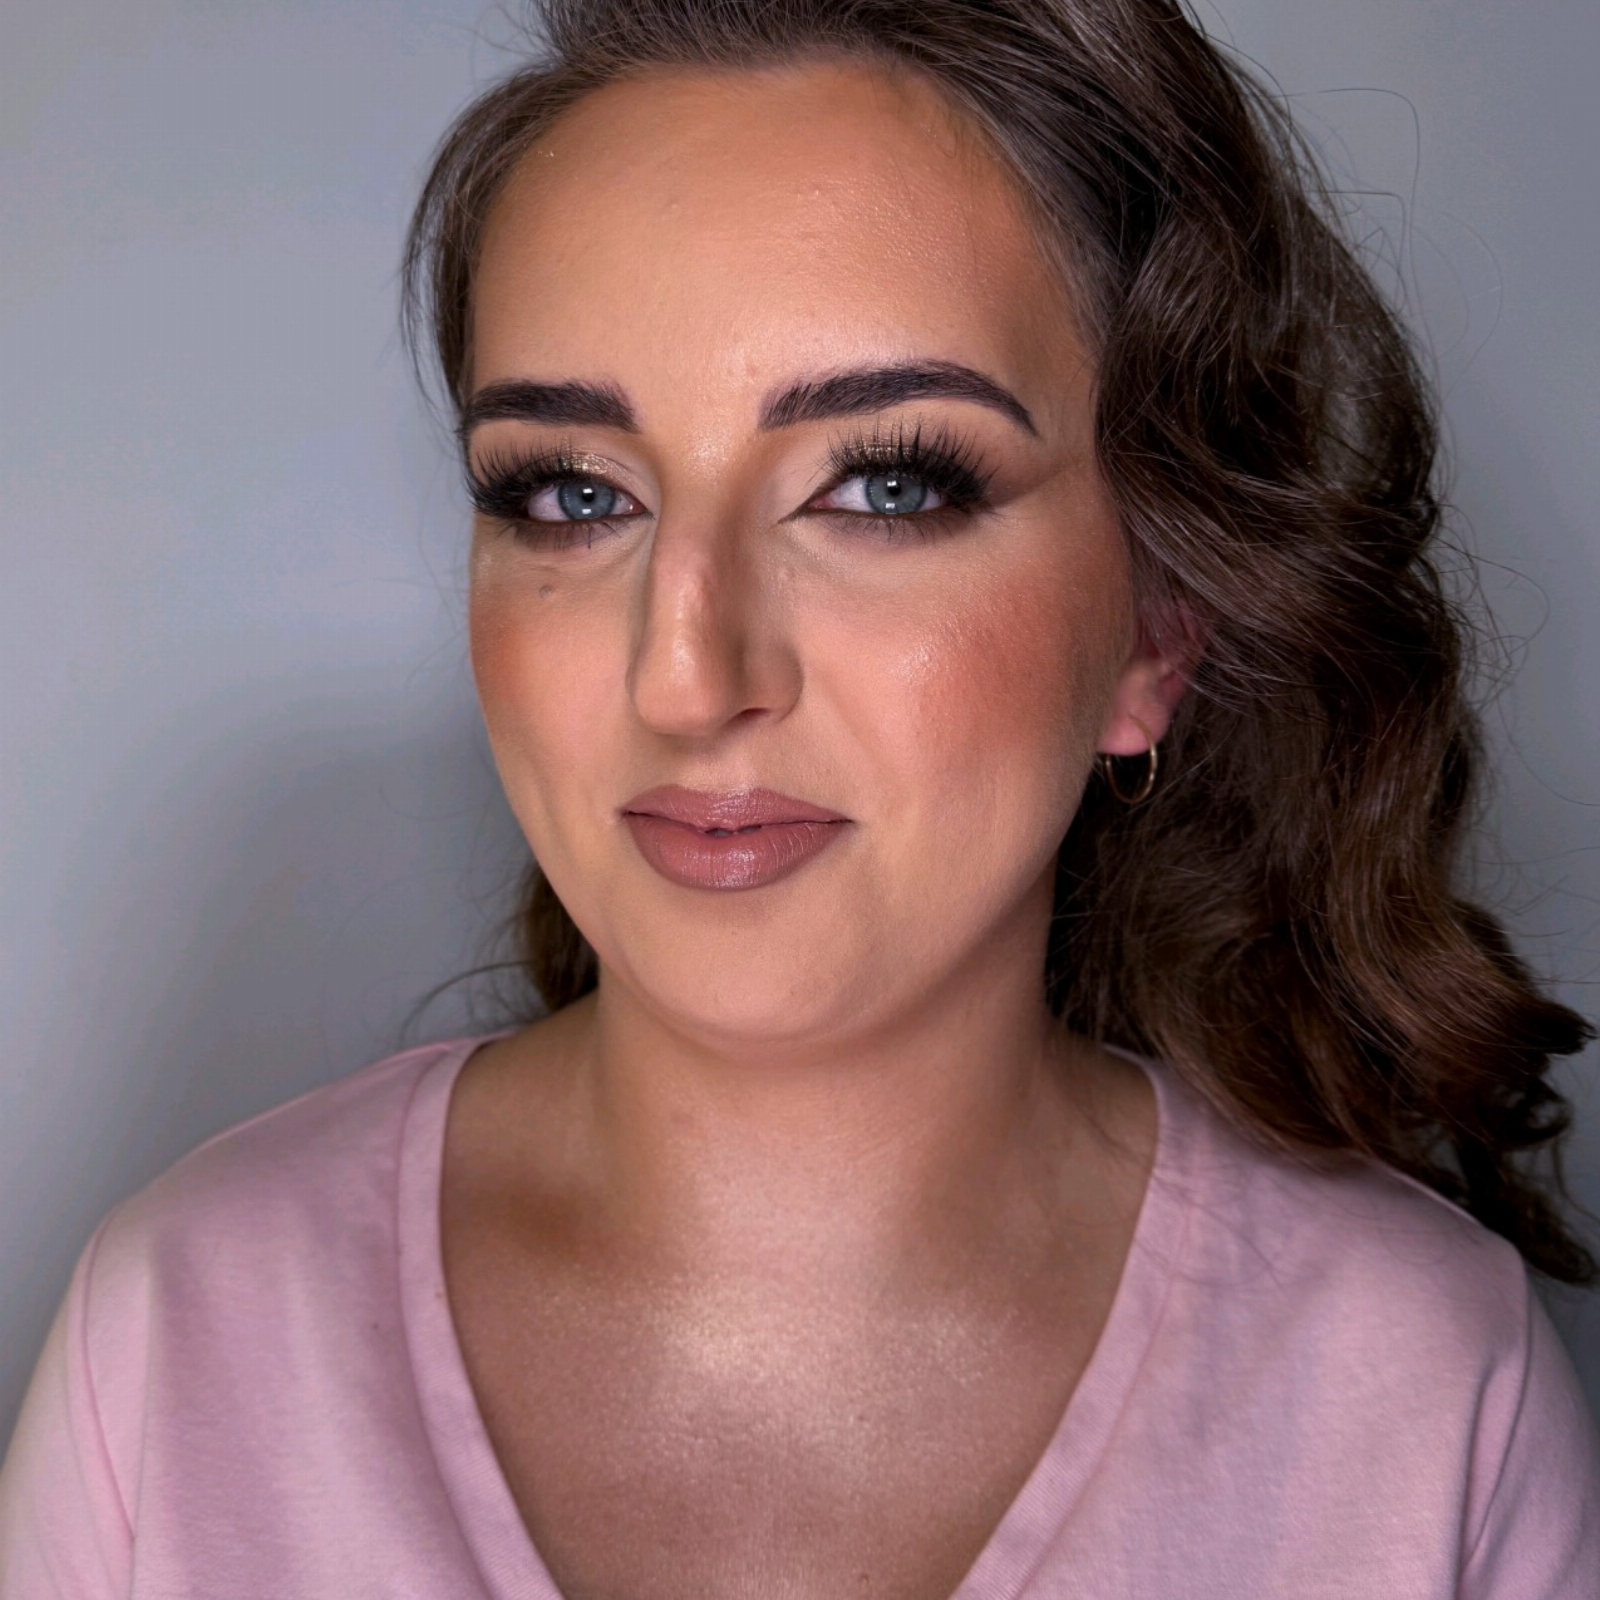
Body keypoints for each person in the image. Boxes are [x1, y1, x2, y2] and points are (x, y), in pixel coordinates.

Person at [3, 0, 1598, 1593]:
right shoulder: (178, 1341)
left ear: (1159, 625)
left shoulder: (1424, 1397)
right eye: (571, 494)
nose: (686, 676)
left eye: (888, 485)